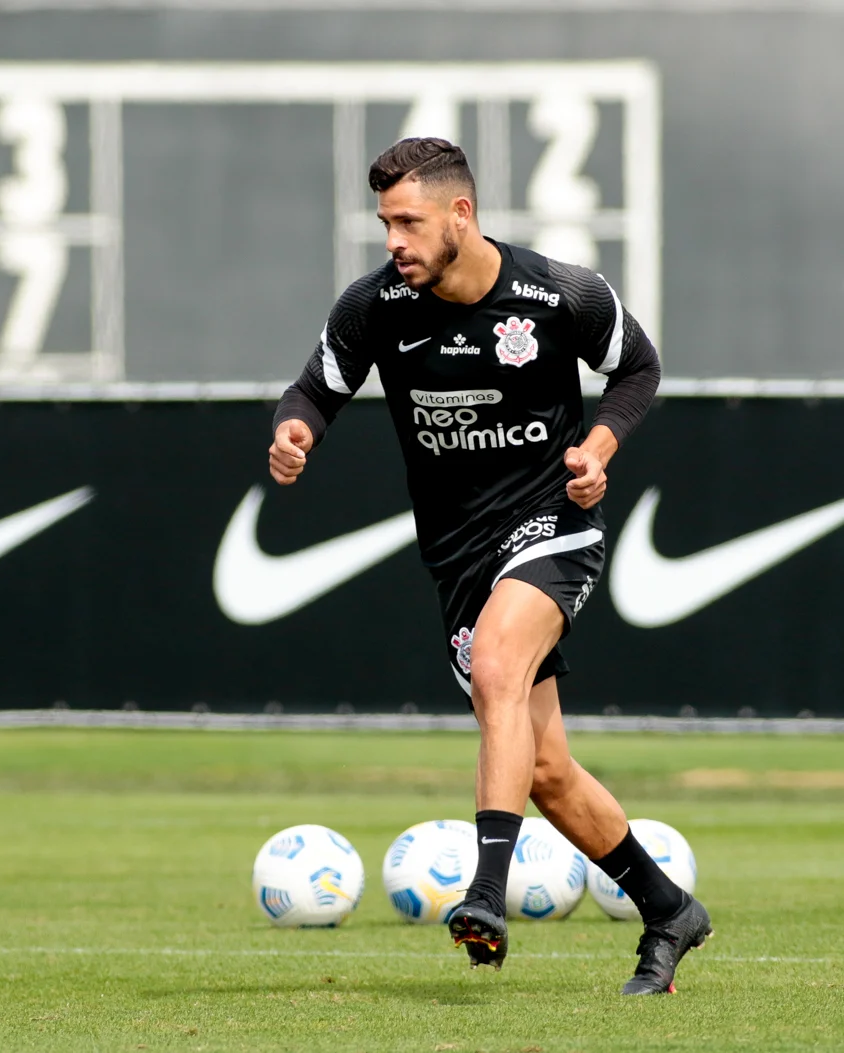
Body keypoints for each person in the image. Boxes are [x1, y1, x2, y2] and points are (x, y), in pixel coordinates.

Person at [268, 137, 710, 995]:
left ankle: (483, 892)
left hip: (554, 526)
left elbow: (639, 368)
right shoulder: (375, 307)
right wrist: (296, 433)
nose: (394, 239)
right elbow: (314, 389)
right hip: (459, 556)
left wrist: (601, 441)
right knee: (543, 769)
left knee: (502, 667)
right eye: (386, 222)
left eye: (408, 220)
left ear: (460, 215)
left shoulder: (559, 292)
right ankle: (669, 910)